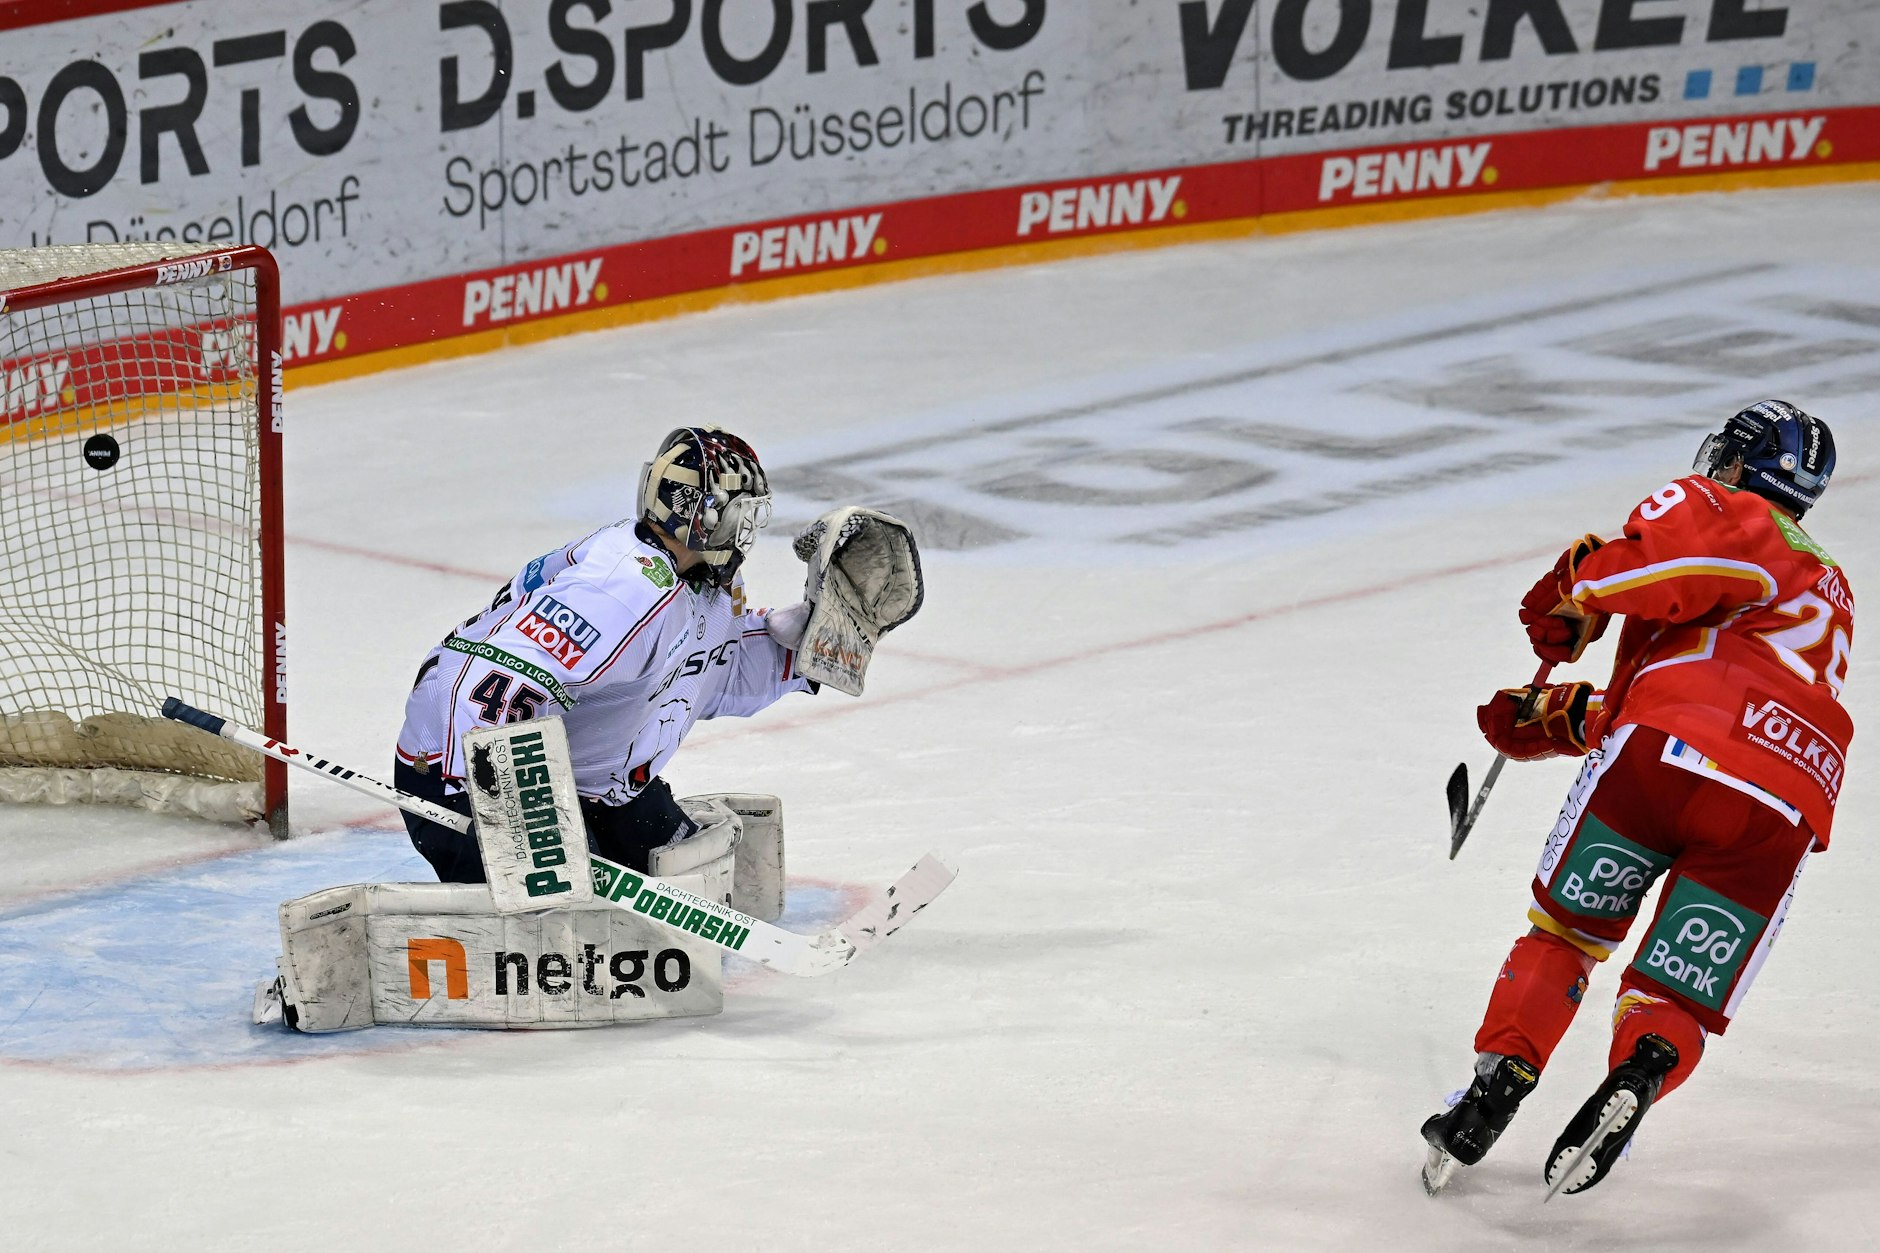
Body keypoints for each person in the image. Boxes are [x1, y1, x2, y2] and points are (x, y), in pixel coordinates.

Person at [1421, 400, 1852, 1197]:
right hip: (1784, 801)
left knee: (1568, 933)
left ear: (1740, 461)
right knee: (1673, 991)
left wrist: (1575, 588)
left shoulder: (1722, 506)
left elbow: (1641, 577)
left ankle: (1501, 1075)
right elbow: (1718, 697)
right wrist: (1558, 715)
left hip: (1660, 764)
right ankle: (1643, 1070)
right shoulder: (1830, 587)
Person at [393, 425, 817, 881]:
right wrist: (513, 816)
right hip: (458, 775)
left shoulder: (704, 582)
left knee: (670, 888)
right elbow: (484, 677)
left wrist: (806, 649)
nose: (747, 530)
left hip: (588, 778)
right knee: (574, 921)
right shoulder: (622, 589)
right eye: (738, 514)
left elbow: (712, 674)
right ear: (700, 516)